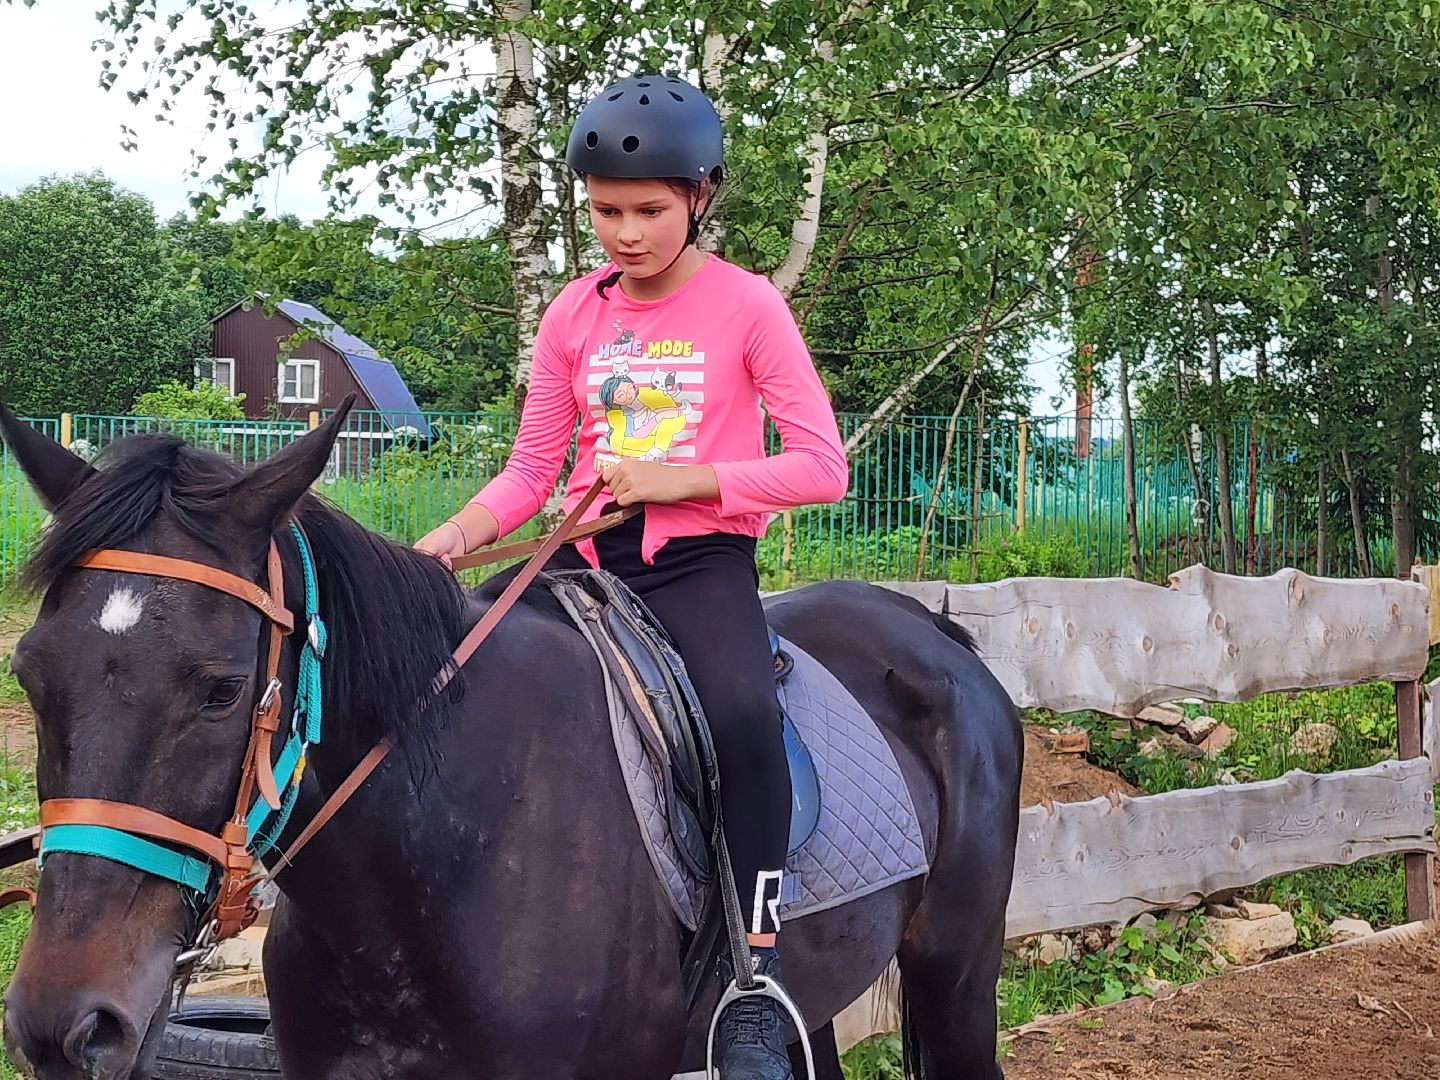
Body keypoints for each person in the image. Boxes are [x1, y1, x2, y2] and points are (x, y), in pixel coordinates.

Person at [415, 73, 848, 1078]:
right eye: (606, 210)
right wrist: (447, 539)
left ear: (699, 198)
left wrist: (680, 478)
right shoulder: (574, 313)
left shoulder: (747, 307)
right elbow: (532, 470)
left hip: (700, 565)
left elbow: (823, 465)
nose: (625, 230)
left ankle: (755, 970)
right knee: (449, 680)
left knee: (743, 716)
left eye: (649, 209)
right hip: (581, 558)